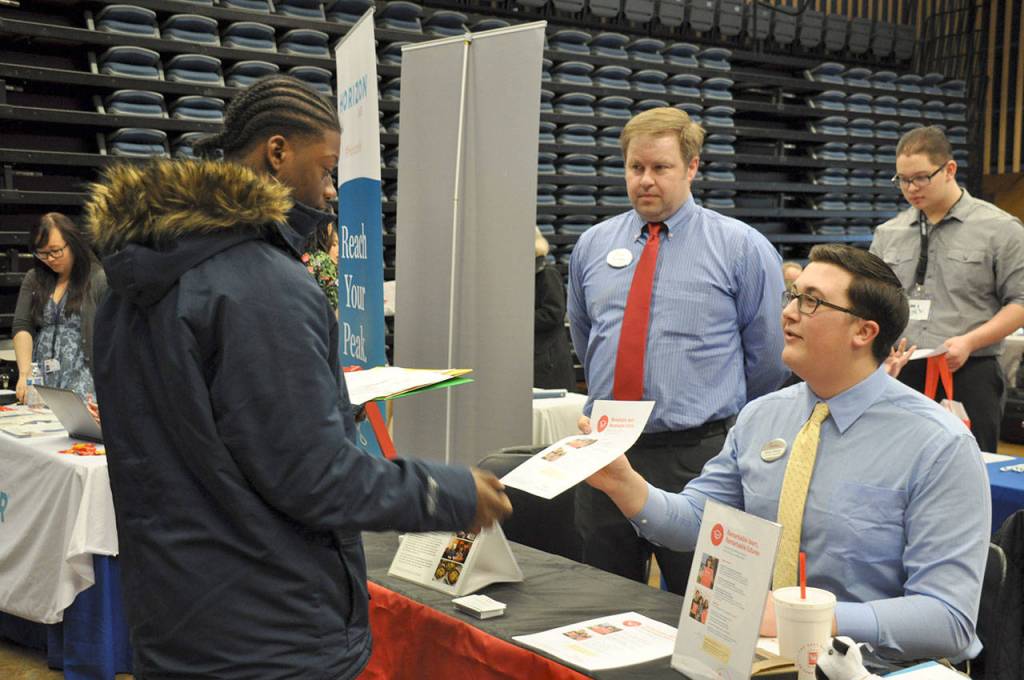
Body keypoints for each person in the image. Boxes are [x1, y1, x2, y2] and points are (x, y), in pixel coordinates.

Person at [83, 75, 512, 680]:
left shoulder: (125, 279)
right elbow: (312, 475)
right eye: (327, 169)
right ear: (277, 152)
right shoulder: (262, 284)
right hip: (270, 629)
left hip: (175, 616)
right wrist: (448, 493)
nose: (331, 190)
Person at [586, 244, 990, 666]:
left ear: (864, 332)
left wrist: (805, 618)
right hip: (752, 658)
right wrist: (622, 482)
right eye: (792, 295)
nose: (789, 312)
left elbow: (949, 620)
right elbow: (695, 523)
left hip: (871, 669)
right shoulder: (763, 415)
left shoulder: (938, 445)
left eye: (811, 301)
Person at [568, 107, 789, 594]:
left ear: (691, 167)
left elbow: (770, 358)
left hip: (697, 459)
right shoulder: (591, 246)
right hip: (605, 452)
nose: (645, 180)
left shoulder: (741, 248)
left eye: (660, 168)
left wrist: (710, 407)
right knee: (601, 601)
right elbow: (588, 340)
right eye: (635, 168)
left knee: (702, 607)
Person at [871, 125, 1024, 452]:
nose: (911, 188)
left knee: (970, 467)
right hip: (900, 371)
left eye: (921, 177)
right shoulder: (889, 232)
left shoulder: (999, 229)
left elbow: (1020, 302)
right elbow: (871, 299)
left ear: (950, 169)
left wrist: (970, 341)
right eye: (902, 180)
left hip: (969, 371)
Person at [12, 212, 107, 402]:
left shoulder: (97, 279)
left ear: (72, 243)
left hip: (82, 379)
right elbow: (22, 325)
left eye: (55, 250)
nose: (50, 259)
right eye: (42, 253)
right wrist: (25, 372)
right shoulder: (34, 278)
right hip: (42, 378)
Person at [533, 228, 576, 391]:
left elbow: (553, 313)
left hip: (547, 360)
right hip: (538, 356)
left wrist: (516, 320)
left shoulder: (547, 273)